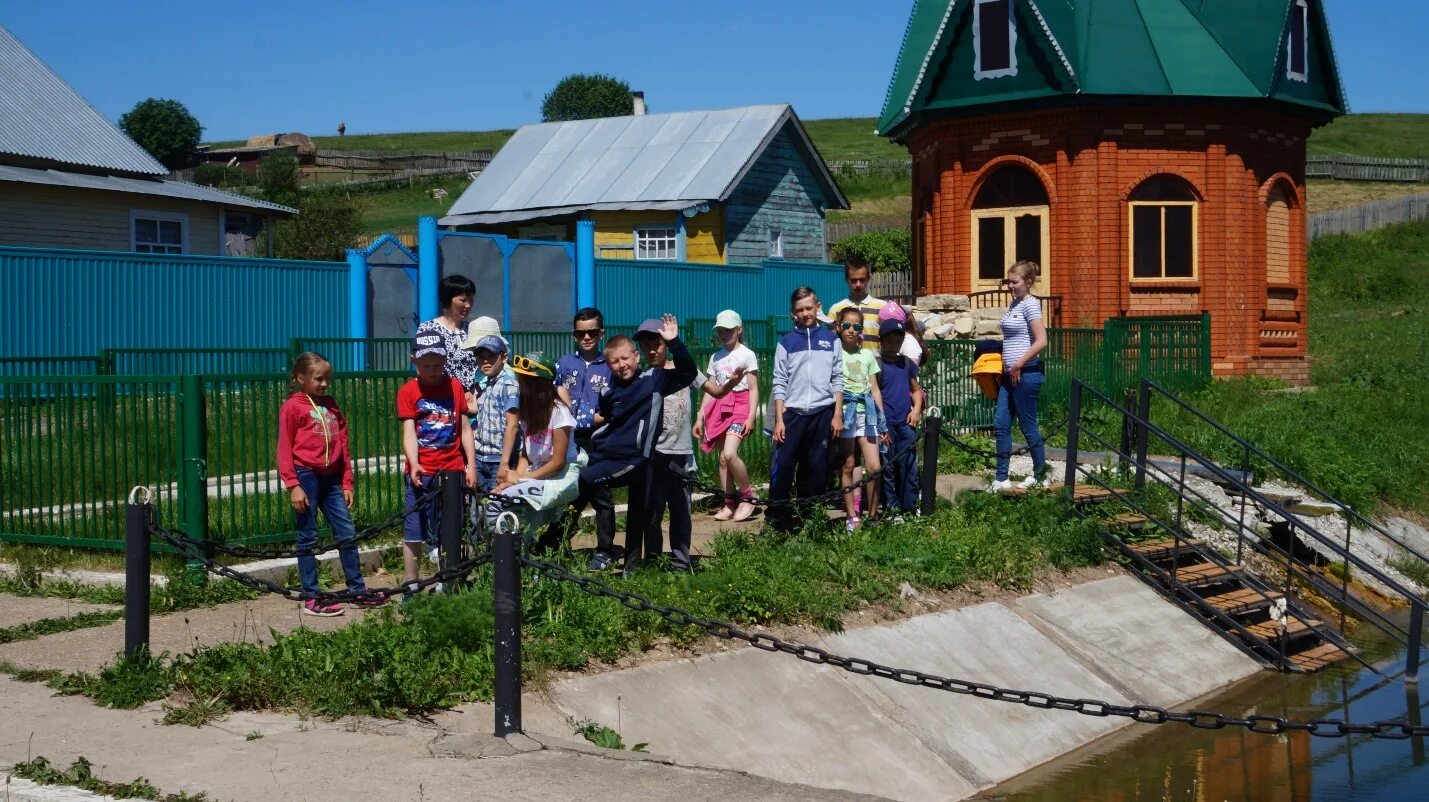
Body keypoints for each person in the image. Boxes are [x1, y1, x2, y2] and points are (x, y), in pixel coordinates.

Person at [573, 315, 695, 573]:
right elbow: (608, 416)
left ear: (636, 357)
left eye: (625, 359)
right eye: (615, 362)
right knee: (582, 487)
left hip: (640, 460)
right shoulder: (609, 391)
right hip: (611, 456)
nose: (621, 365)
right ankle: (555, 541)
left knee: (638, 510)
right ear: (608, 365)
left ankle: (632, 565)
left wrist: (675, 343)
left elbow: (688, 373)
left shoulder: (654, 381)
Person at [636, 324, 745, 571]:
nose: (652, 351)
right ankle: (653, 560)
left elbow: (715, 391)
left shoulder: (684, 371)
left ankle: (680, 561)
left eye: (657, 345)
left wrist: (731, 383)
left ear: (666, 346)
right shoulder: (642, 377)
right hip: (653, 455)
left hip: (680, 453)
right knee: (652, 511)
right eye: (647, 347)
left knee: (681, 512)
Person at [277, 352, 377, 616]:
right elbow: (285, 448)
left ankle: (357, 588)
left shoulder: (331, 406)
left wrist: (347, 482)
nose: (324, 384)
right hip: (306, 475)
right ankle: (311, 595)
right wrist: (293, 484)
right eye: (318, 379)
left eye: (327, 379)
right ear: (301, 378)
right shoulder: (292, 407)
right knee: (307, 535)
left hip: (331, 478)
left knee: (346, 531)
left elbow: (343, 445)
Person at [398, 331, 476, 586]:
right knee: (414, 530)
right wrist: (414, 462)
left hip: (452, 469)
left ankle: (448, 579)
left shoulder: (454, 386)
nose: (432, 370)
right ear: (414, 361)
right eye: (426, 365)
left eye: (437, 364)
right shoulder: (409, 391)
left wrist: (470, 465)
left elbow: (465, 429)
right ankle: (411, 583)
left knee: (449, 528)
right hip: (422, 471)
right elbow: (409, 431)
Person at [482, 355, 586, 539]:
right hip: (537, 474)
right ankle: (511, 558)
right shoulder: (529, 411)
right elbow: (527, 454)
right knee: (504, 507)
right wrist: (511, 481)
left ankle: (504, 556)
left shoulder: (559, 413)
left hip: (560, 478)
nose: (520, 385)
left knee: (496, 503)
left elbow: (558, 462)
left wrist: (521, 479)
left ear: (540, 385)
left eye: (526, 381)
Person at [769, 287, 843, 532]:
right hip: (793, 414)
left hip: (822, 413)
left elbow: (837, 378)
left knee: (815, 469)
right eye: (800, 310)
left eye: (809, 308)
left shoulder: (832, 340)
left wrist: (837, 414)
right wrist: (779, 419)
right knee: (784, 467)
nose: (805, 313)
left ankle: (810, 520)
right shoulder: (786, 342)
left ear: (817, 307)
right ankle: (776, 519)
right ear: (793, 313)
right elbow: (779, 381)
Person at [550, 307, 616, 560]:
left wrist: (596, 419)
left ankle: (604, 551)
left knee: (602, 496)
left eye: (591, 332)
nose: (586, 338)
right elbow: (553, 395)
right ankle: (557, 545)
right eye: (580, 333)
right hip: (568, 438)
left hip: (598, 438)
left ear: (601, 333)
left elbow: (615, 406)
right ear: (574, 335)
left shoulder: (610, 365)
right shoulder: (564, 363)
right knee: (567, 493)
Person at [694, 309, 760, 522]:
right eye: (721, 330)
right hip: (721, 407)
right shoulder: (716, 357)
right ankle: (728, 503)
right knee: (722, 459)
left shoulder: (747, 354)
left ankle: (748, 495)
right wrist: (700, 417)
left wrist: (751, 416)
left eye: (729, 330)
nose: (724, 334)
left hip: (741, 406)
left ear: (739, 329)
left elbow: (753, 389)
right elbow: (711, 390)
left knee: (730, 454)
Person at [991, 260, 1050, 493]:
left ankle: (1040, 475)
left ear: (1028, 282)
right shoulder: (1014, 304)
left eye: (1014, 282)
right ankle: (1001, 478)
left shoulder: (1030, 305)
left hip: (1026, 374)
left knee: (1028, 426)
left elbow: (1041, 340)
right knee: (1001, 424)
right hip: (1009, 374)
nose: (1010, 286)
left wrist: (1018, 365)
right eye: (1008, 281)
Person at [836, 307, 884, 529]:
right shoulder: (835, 353)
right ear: (839, 327)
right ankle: (851, 515)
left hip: (867, 414)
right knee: (848, 464)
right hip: (845, 413)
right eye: (847, 325)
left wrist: (882, 419)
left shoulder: (867, 355)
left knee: (874, 466)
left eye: (856, 326)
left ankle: (872, 515)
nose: (851, 330)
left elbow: (874, 389)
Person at [877, 319, 925, 516]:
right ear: (881, 341)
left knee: (909, 465)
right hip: (886, 423)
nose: (893, 346)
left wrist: (916, 410)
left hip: (905, 422)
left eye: (897, 342)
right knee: (887, 468)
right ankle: (892, 507)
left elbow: (916, 390)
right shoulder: (877, 365)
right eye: (889, 341)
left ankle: (910, 505)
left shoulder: (906, 364)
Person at [462, 335, 519, 493]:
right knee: (477, 508)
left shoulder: (509, 385)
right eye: (481, 358)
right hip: (480, 456)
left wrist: (504, 462)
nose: (486, 362)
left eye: (491, 357)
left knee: (495, 506)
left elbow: (512, 425)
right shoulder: (483, 384)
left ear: (504, 357)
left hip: (499, 458)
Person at [414, 275, 479, 391]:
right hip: (444, 397)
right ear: (448, 299)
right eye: (463, 300)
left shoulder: (473, 328)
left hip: (474, 399)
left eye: (471, 300)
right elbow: (421, 365)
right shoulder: (429, 329)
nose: (468, 305)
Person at [828, 257, 887, 350]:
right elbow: (831, 343)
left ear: (868, 279)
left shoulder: (882, 308)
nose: (858, 284)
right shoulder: (835, 310)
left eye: (862, 280)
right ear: (846, 279)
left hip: (874, 363)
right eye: (854, 280)